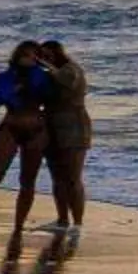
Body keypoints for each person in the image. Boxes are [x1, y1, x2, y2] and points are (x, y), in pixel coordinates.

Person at [0, 43, 51, 236]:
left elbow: (50, 96)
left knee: (28, 180)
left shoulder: (42, 75)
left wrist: (39, 70)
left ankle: (19, 225)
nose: (28, 59)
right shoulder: (4, 77)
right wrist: (16, 87)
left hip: (36, 127)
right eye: (24, 55)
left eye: (32, 56)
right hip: (11, 124)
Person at [36, 41, 91, 239]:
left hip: (74, 125)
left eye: (48, 55)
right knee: (56, 176)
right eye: (42, 56)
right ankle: (62, 219)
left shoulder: (71, 69)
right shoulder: (47, 74)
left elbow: (67, 80)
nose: (44, 59)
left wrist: (47, 66)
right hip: (51, 126)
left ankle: (77, 222)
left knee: (73, 177)